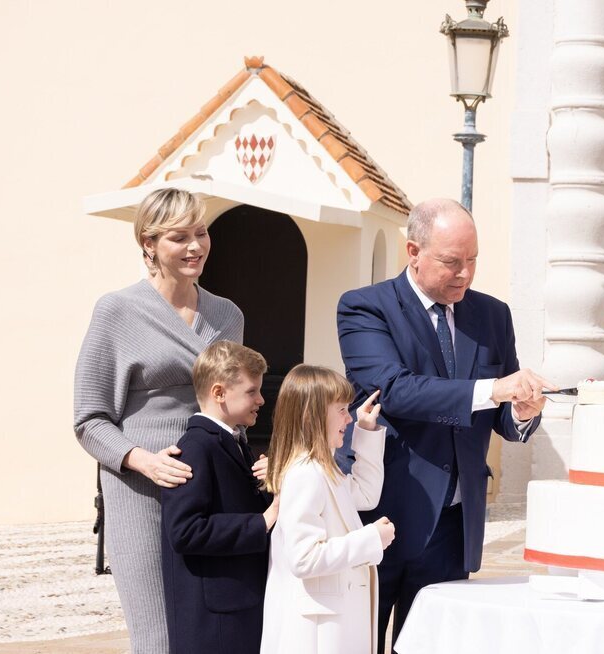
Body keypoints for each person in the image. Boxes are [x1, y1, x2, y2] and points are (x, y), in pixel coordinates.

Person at [336, 198, 554, 652]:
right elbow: (394, 390)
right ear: (413, 252)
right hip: (380, 514)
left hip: (454, 524)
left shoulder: (493, 315)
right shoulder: (365, 308)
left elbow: (499, 413)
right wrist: (493, 389)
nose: (466, 274)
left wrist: (519, 412)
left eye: (473, 260)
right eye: (452, 262)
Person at [73, 188, 264, 654]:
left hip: (217, 492)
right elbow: (89, 419)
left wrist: (253, 460)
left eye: (202, 233)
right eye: (180, 237)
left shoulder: (227, 315)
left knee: (217, 629)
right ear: (148, 245)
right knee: (158, 637)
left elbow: (233, 406)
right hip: (143, 496)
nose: (196, 246)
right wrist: (143, 461)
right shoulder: (116, 311)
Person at [260, 365, 395, 654]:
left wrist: (366, 432)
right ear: (312, 414)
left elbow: (366, 495)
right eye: (342, 410)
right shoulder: (305, 473)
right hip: (316, 636)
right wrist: (371, 540)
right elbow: (304, 558)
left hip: (330, 627)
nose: (348, 418)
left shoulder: (325, 469)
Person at [160, 341, 278, 654]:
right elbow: (184, 531)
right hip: (214, 624)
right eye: (252, 391)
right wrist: (261, 522)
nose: (261, 400)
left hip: (236, 609)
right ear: (219, 393)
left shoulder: (233, 442)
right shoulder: (197, 448)